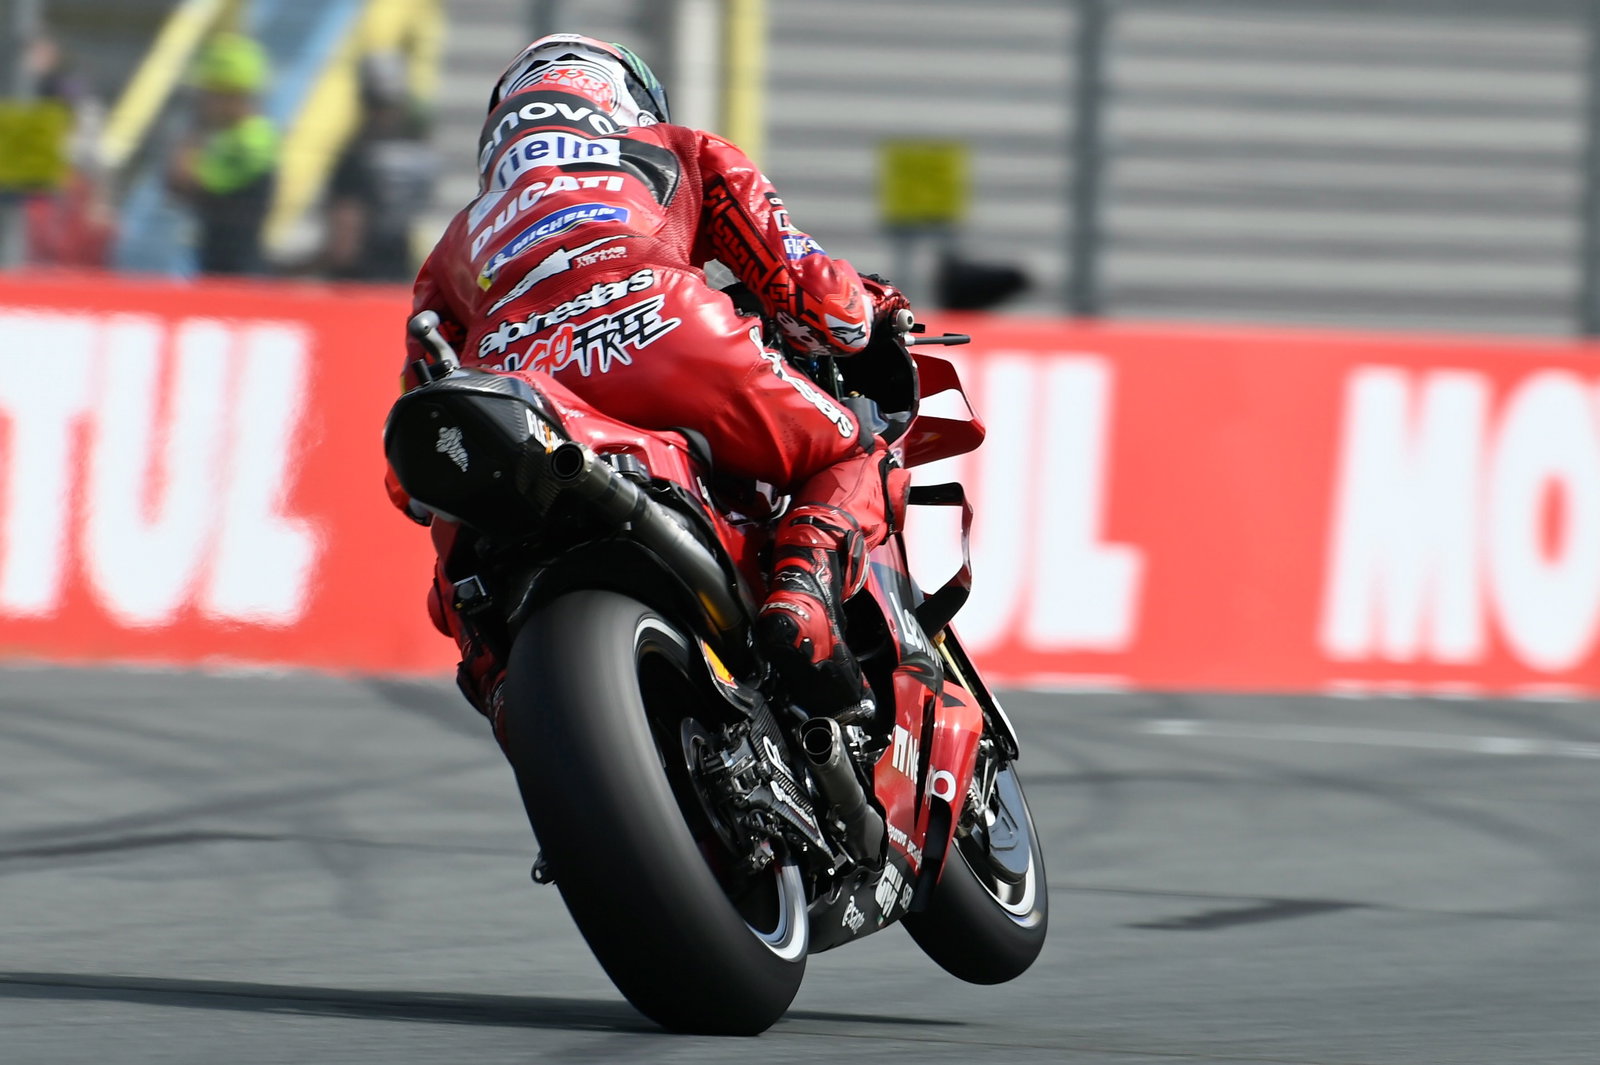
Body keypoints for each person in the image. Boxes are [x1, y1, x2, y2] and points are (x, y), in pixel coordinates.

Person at [398, 34, 911, 734]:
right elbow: (817, 304)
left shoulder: (453, 242)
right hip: (669, 335)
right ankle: (802, 594)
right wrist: (874, 312)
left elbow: (415, 473)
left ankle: (526, 719)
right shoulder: (677, 149)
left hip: (522, 391)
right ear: (625, 99)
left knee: (463, 580)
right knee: (858, 454)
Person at [166, 32, 279, 275]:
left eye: (208, 93)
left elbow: (183, 182)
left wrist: (195, 129)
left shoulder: (252, 142)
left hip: (238, 276)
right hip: (218, 268)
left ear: (233, 95)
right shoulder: (231, 137)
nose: (202, 101)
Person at [319, 51, 436, 281]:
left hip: (357, 279)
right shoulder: (422, 157)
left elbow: (344, 245)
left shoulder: (356, 159)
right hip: (399, 272)